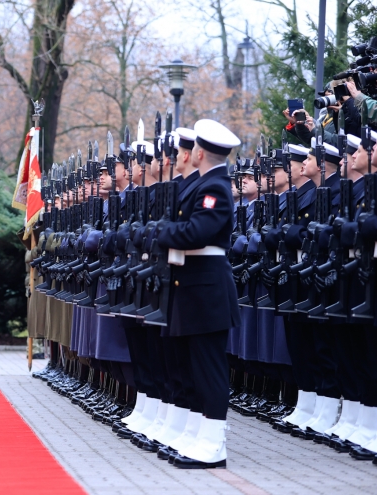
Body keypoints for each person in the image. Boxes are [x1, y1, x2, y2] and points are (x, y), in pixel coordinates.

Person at [155, 119, 242, 469]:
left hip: (207, 289)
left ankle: (214, 443)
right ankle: (199, 436)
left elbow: (197, 232)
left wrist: (162, 231)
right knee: (193, 367)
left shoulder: (216, 187)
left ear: (201, 152)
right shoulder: (205, 184)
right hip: (192, 286)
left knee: (209, 368)